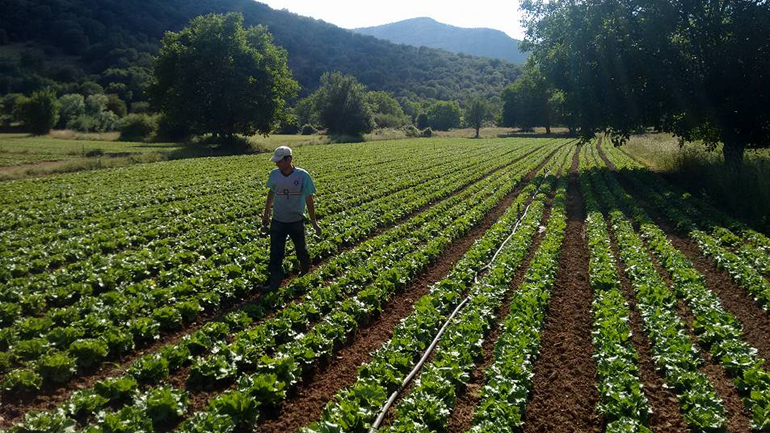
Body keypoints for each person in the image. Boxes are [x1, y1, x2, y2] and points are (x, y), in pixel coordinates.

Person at [261, 146, 321, 291]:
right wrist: (266, 214)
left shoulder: (302, 176)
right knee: (275, 252)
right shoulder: (274, 174)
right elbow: (271, 193)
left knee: (300, 249)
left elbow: (309, 199)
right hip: (278, 220)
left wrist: (314, 222)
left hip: (296, 220)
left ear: (289, 159)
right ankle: (274, 282)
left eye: (280, 161)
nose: (277, 164)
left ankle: (305, 269)